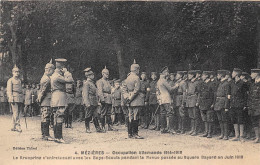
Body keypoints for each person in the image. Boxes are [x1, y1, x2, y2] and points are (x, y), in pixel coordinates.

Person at [50, 58, 73, 143]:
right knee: (60, 117)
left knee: (56, 116)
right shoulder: (58, 76)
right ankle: (59, 137)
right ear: (62, 67)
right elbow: (70, 80)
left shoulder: (54, 75)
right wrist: (66, 72)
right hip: (60, 97)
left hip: (55, 97)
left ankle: (57, 136)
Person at [122, 59, 144, 139]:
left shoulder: (127, 78)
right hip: (136, 100)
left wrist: (127, 97)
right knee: (136, 116)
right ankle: (135, 133)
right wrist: (131, 98)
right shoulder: (136, 78)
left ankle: (129, 133)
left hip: (129, 99)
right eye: (138, 69)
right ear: (136, 70)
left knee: (130, 116)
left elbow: (123, 89)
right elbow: (137, 90)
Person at [156, 66, 179, 134]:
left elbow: (157, 91)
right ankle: (171, 129)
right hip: (166, 98)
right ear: (164, 72)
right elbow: (170, 89)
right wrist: (176, 86)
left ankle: (163, 128)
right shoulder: (164, 80)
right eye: (167, 72)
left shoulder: (159, 81)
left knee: (162, 113)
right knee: (170, 113)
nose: (168, 73)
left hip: (161, 99)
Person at [37, 59, 55, 141]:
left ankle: (44, 134)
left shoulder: (44, 77)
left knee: (44, 117)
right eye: (52, 70)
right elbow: (43, 91)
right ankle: (46, 135)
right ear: (48, 70)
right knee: (46, 117)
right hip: (46, 100)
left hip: (45, 100)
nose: (53, 72)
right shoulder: (47, 79)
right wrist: (39, 99)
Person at [82, 68, 103, 133]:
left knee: (95, 115)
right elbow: (85, 94)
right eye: (91, 75)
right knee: (88, 115)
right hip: (90, 102)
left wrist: (97, 102)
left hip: (94, 102)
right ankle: (87, 128)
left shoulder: (92, 83)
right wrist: (87, 103)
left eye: (92, 75)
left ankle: (98, 128)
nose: (93, 76)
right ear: (88, 76)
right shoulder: (86, 83)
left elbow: (96, 93)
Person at [96, 66, 116, 131]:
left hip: (109, 99)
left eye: (108, 74)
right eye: (106, 74)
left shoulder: (108, 82)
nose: (107, 75)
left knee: (109, 113)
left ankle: (110, 126)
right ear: (102, 74)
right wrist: (102, 99)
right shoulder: (100, 81)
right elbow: (99, 91)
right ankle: (103, 126)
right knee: (103, 113)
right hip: (104, 98)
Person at [214, 70, 231, 140]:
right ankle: (222, 134)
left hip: (223, 103)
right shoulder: (220, 83)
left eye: (218, 75)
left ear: (221, 75)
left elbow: (228, 96)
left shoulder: (226, 84)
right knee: (220, 120)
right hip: (218, 103)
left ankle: (226, 135)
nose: (217, 76)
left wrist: (226, 106)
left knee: (225, 120)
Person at [197, 71, 215, 138]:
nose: (202, 77)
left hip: (209, 103)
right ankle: (206, 132)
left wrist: (213, 103)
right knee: (204, 119)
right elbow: (200, 94)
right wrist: (199, 102)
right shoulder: (202, 84)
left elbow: (214, 95)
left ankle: (210, 133)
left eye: (203, 75)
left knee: (209, 118)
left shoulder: (212, 84)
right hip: (203, 103)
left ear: (206, 76)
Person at [6, 65, 24, 132]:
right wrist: (11, 98)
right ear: (12, 72)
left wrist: (22, 98)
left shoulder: (19, 80)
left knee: (17, 112)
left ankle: (13, 126)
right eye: (15, 72)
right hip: (14, 97)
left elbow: (21, 90)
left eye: (18, 72)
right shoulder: (10, 80)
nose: (17, 73)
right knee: (16, 112)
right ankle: (18, 125)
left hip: (19, 98)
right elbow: (9, 90)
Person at [247, 69, 260, 143]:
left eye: (252, 73)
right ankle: (257, 137)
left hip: (258, 106)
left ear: (257, 74)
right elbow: (250, 96)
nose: (251, 75)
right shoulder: (253, 84)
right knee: (254, 121)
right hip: (253, 106)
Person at [186, 70, 200, 136]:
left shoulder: (197, 82)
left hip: (194, 99)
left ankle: (195, 130)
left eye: (189, 75)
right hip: (189, 100)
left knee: (195, 116)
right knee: (191, 116)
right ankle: (192, 129)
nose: (188, 76)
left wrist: (197, 101)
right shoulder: (189, 83)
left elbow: (199, 93)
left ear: (192, 75)